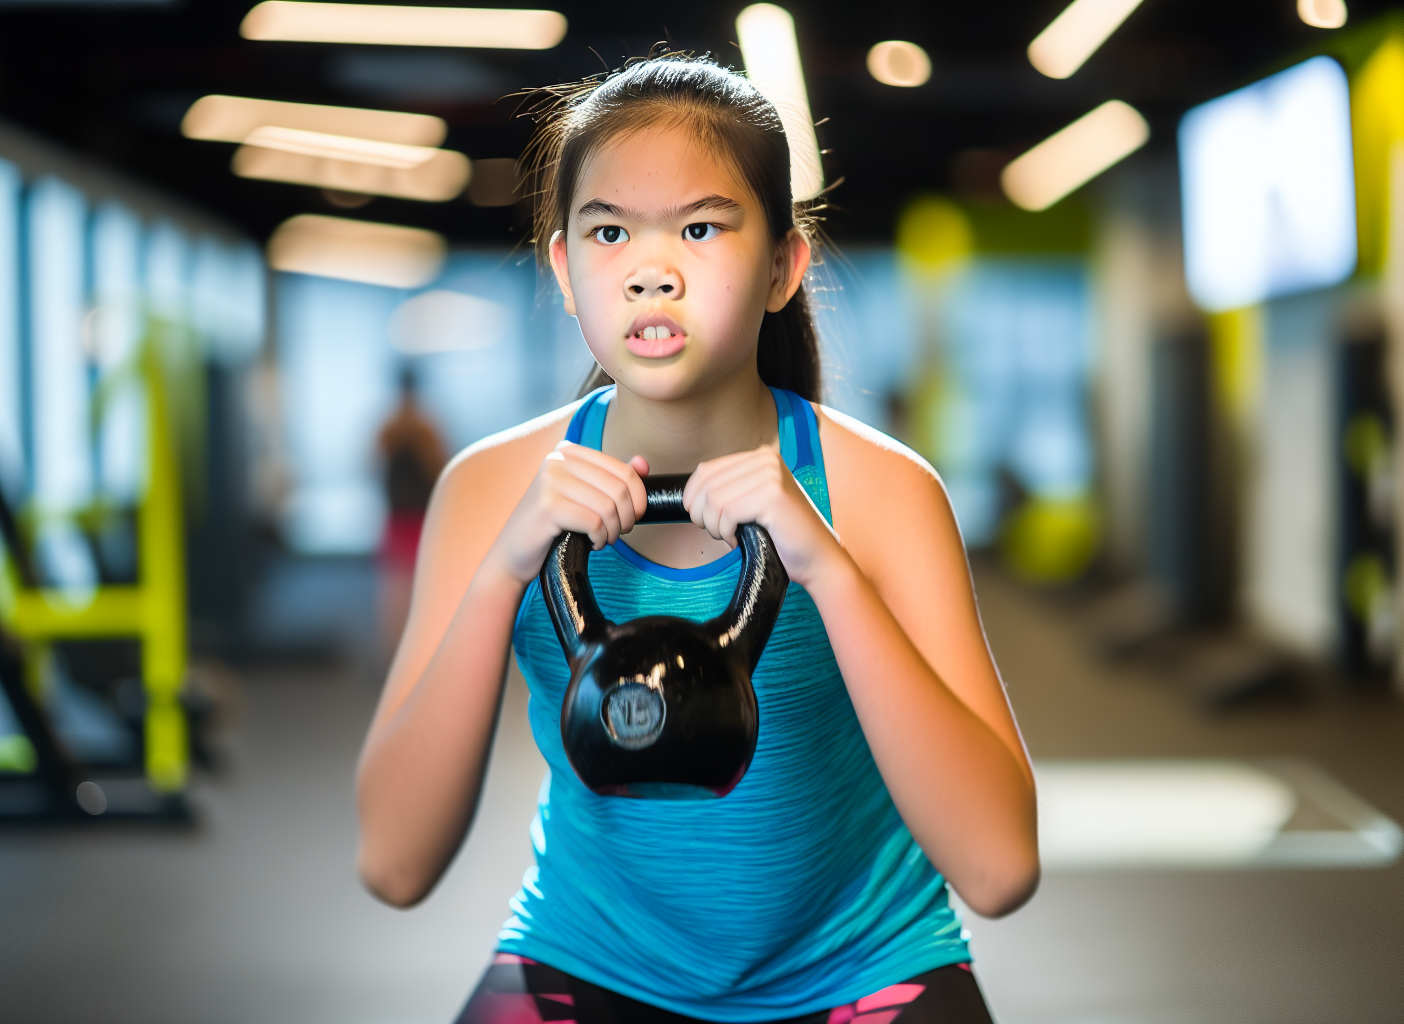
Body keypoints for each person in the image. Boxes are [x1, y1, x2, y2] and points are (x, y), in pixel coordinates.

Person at [356, 54, 1038, 1024]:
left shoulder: (879, 492)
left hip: (860, 970)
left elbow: (999, 866)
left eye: (701, 226)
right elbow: (392, 863)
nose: (650, 269)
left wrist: (827, 570)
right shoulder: (490, 490)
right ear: (564, 269)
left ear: (780, 268)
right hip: (592, 959)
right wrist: (505, 566)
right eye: (608, 230)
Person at [375, 366, 447, 661]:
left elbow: (373, 466)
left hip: (397, 517)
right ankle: (419, 656)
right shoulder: (426, 429)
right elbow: (439, 469)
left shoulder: (388, 427)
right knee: (424, 588)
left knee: (395, 591)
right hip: (418, 518)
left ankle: (393, 658)